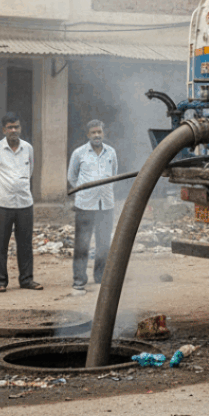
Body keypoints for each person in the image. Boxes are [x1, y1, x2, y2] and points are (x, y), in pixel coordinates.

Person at [0, 112, 42, 292]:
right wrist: (1, 192)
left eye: (16, 126)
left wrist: (18, 187)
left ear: (20, 128)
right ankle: (0, 281)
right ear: (3, 129)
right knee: (1, 244)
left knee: (25, 243)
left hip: (24, 202)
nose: (13, 130)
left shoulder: (28, 148)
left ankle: (26, 279)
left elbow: (30, 170)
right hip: (2, 203)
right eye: (10, 127)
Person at [66, 120, 119, 294]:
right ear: (88, 135)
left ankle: (100, 276)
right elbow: (72, 178)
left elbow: (114, 174)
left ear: (104, 134)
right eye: (93, 132)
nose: (97, 135)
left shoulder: (111, 152)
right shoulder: (79, 153)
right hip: (85, 206)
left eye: (99, 132)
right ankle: (79, 279)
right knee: (82, 244)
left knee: (103, 243)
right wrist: (87, 193)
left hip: (106, 205)